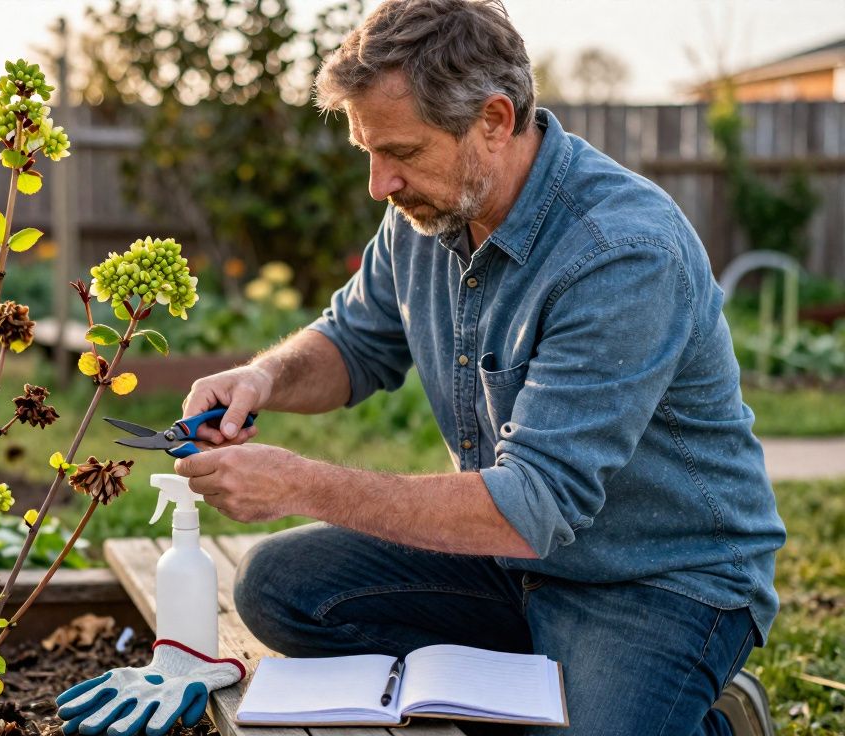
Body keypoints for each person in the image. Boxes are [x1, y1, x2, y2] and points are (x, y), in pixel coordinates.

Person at [172, 1, 785, 735]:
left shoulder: (621, 252)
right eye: (369, 151)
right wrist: (262, 380)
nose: (380, 184)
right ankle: (537, 685)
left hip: (655, 581)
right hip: (506, 562)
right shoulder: (429, 211)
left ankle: (705, 719)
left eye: (400, 151)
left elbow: (532, 504)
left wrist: (301, 484)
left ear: (494, 120)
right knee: (277, 587)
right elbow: (354, 342)